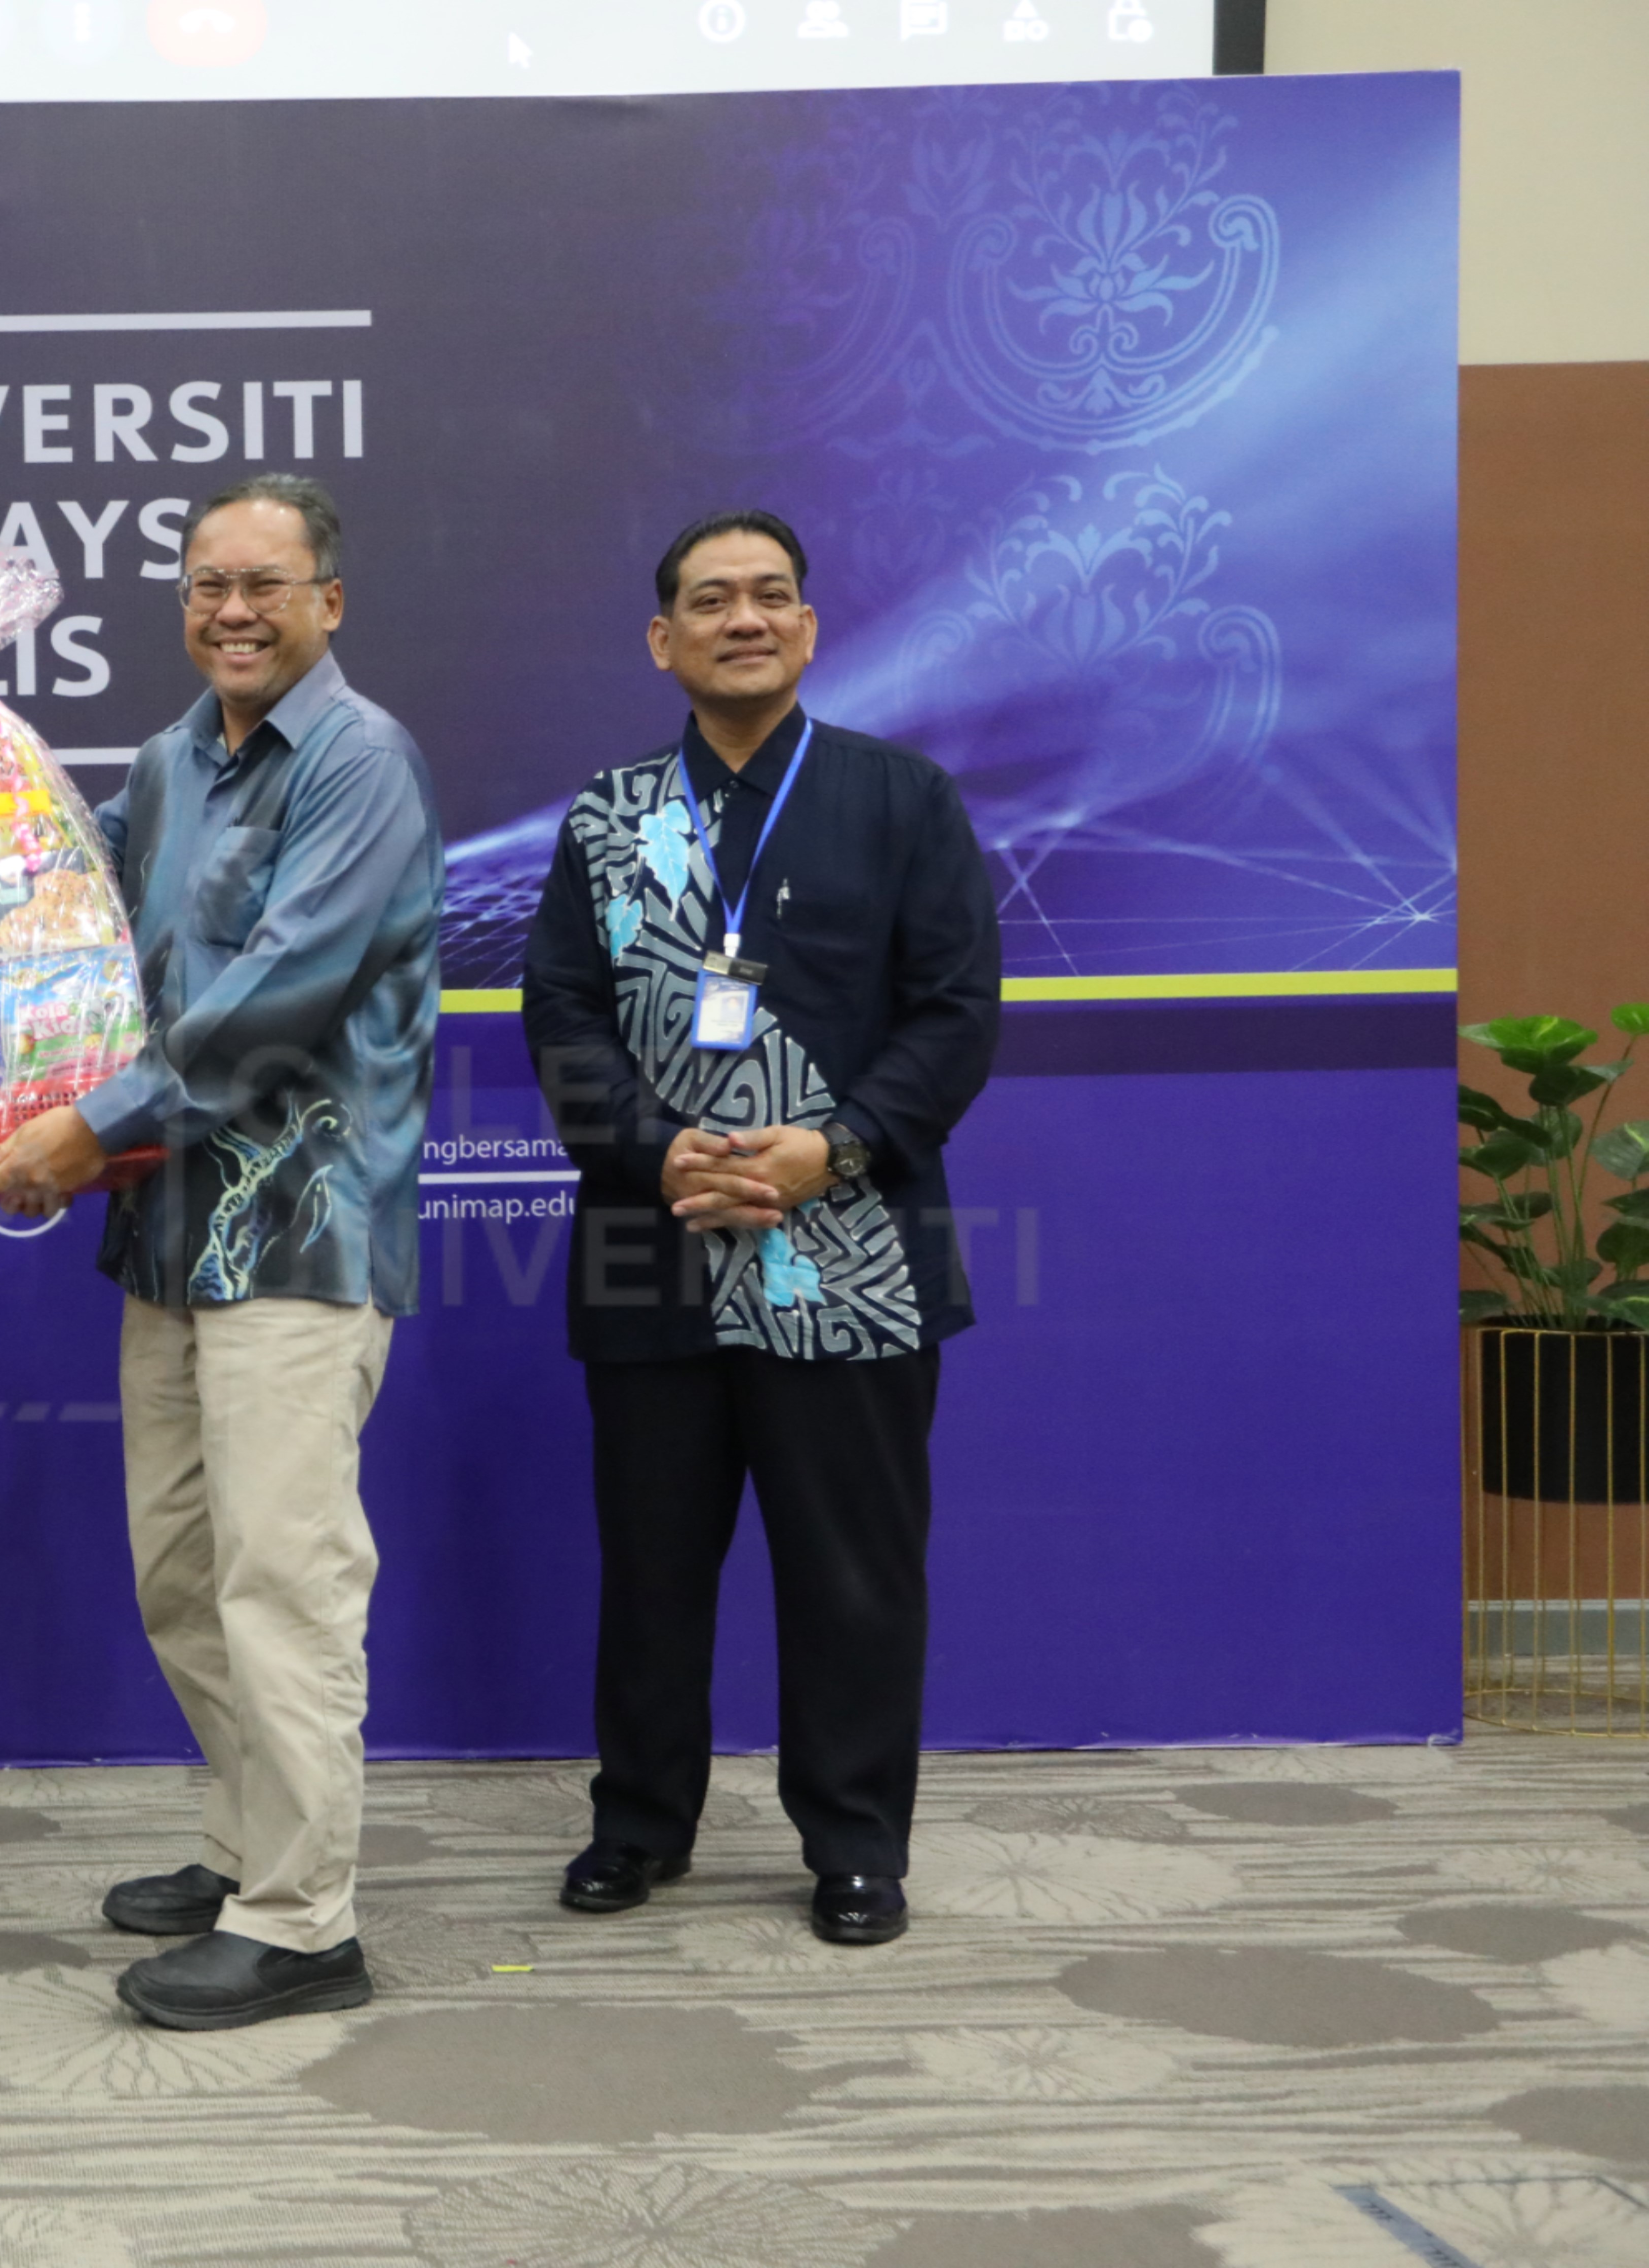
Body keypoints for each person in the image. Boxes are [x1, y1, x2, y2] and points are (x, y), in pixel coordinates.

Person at [0, 474, 443, 2029]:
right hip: (171, 1235)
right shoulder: (168, 763)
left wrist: (84, 1125)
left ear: (329, 601)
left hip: (304, 1234)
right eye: (206, 585)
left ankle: (305, 1921)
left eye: (265, 584)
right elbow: (56, 910)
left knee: (283, 1578)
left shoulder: (362, 763)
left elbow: (276, 1000)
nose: (233, 612)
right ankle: (253, 1845)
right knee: (183, 1573)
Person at [521, 510, 999, 1948]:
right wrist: (659, 1150)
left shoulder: (901, 799)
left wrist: (830, 1149)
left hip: (851, 1251)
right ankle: (639, 1824)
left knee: (854, 1573)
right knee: (652, 1567)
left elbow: (956, 1014)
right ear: (662, 639)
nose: (747, 618)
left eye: (773, 596)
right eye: (714, 600)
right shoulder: (609, 817)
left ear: (808, 628)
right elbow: (562, 1014)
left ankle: (855, 1843)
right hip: (652, 1241)